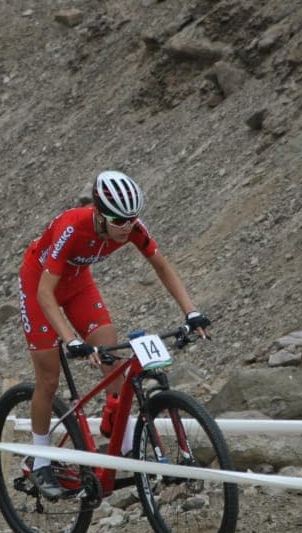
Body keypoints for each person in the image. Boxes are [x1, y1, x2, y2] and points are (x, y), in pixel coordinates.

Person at [17, 170, 211, 499]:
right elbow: (45, 294)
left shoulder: (132, 227)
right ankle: (39, 459)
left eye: (132, 219)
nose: (126, 227)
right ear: (99, 213)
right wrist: (70, 338)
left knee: (112, 357)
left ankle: (117, 434)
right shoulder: (71, 226)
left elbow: (162, 266)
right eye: (119, 220)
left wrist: (191, 312)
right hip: (40, 284)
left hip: (78, 284)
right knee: (48, 380)